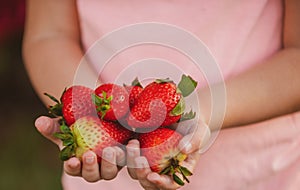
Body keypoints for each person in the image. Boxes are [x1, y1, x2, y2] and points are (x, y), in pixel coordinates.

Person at [22, 0, 300, 189]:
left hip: (257, 170)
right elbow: (49, 34)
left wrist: (196, 111)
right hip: (107, 176)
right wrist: (94, 118)